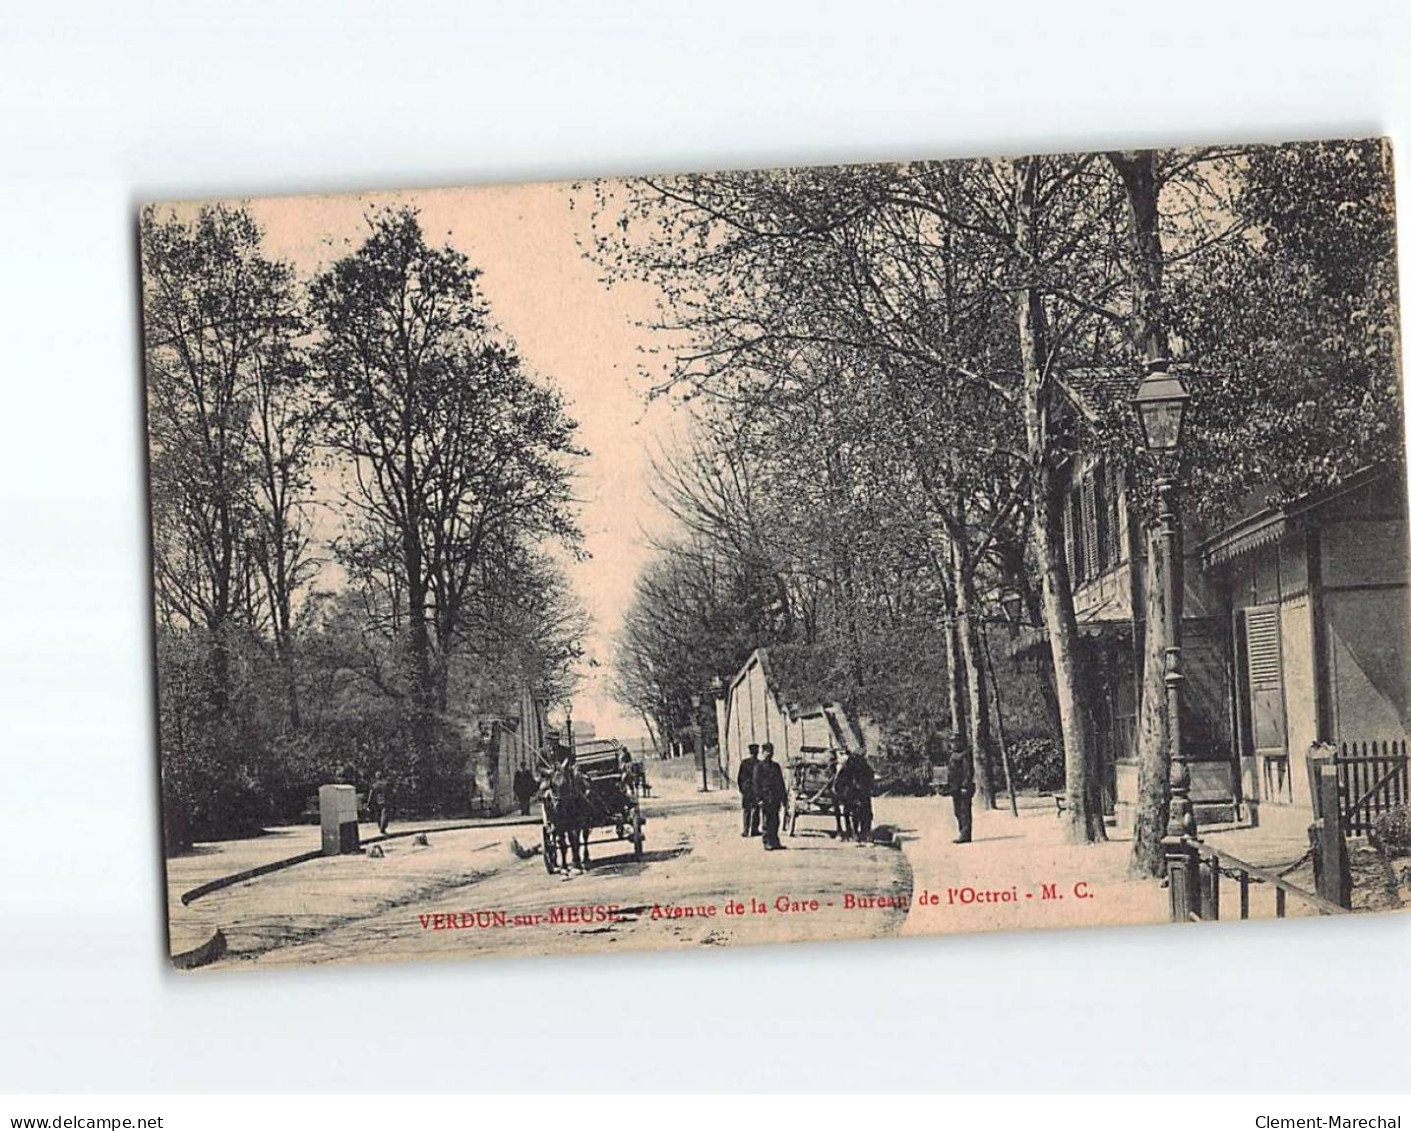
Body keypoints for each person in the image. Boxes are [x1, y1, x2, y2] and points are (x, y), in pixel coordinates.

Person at [754, 742, 787, 850]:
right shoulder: (759, 767)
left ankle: (775, 842)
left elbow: (780, 783)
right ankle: (767, 842)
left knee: (776, 820)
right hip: (765, 797)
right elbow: (756, 784)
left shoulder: (776, 766)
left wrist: (784, 798)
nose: (769, 754)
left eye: (771, 751)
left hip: (775, 797)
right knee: (767, 821)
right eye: (767, 751)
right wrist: (759, 799)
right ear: (762, 753)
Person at [944, 743, 974, 844]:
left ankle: (965, 835)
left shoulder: (964, 756)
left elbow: (967, 772)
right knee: (957, 812)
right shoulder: (953, 755)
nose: (953, 745)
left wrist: (965, 786)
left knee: (964, 811)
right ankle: (962, 832)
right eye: (952, 742)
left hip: (962, 788)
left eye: (955, 742)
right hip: (955, 788)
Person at [843, 750, 875, 845]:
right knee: (842, 767)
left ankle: (866, 834)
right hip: (844, 755)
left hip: (860, 756)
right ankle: (855, 834)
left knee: (867, 811)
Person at [737, 744, 761, 837]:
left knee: (747, 809)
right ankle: (754, 829)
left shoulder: (744, 763)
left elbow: (739, 778)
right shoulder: (759, 763)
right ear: (757, 752)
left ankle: (746, 830)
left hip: (747, 789)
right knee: (755, 809)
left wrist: (742, 789)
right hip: (755, 789)